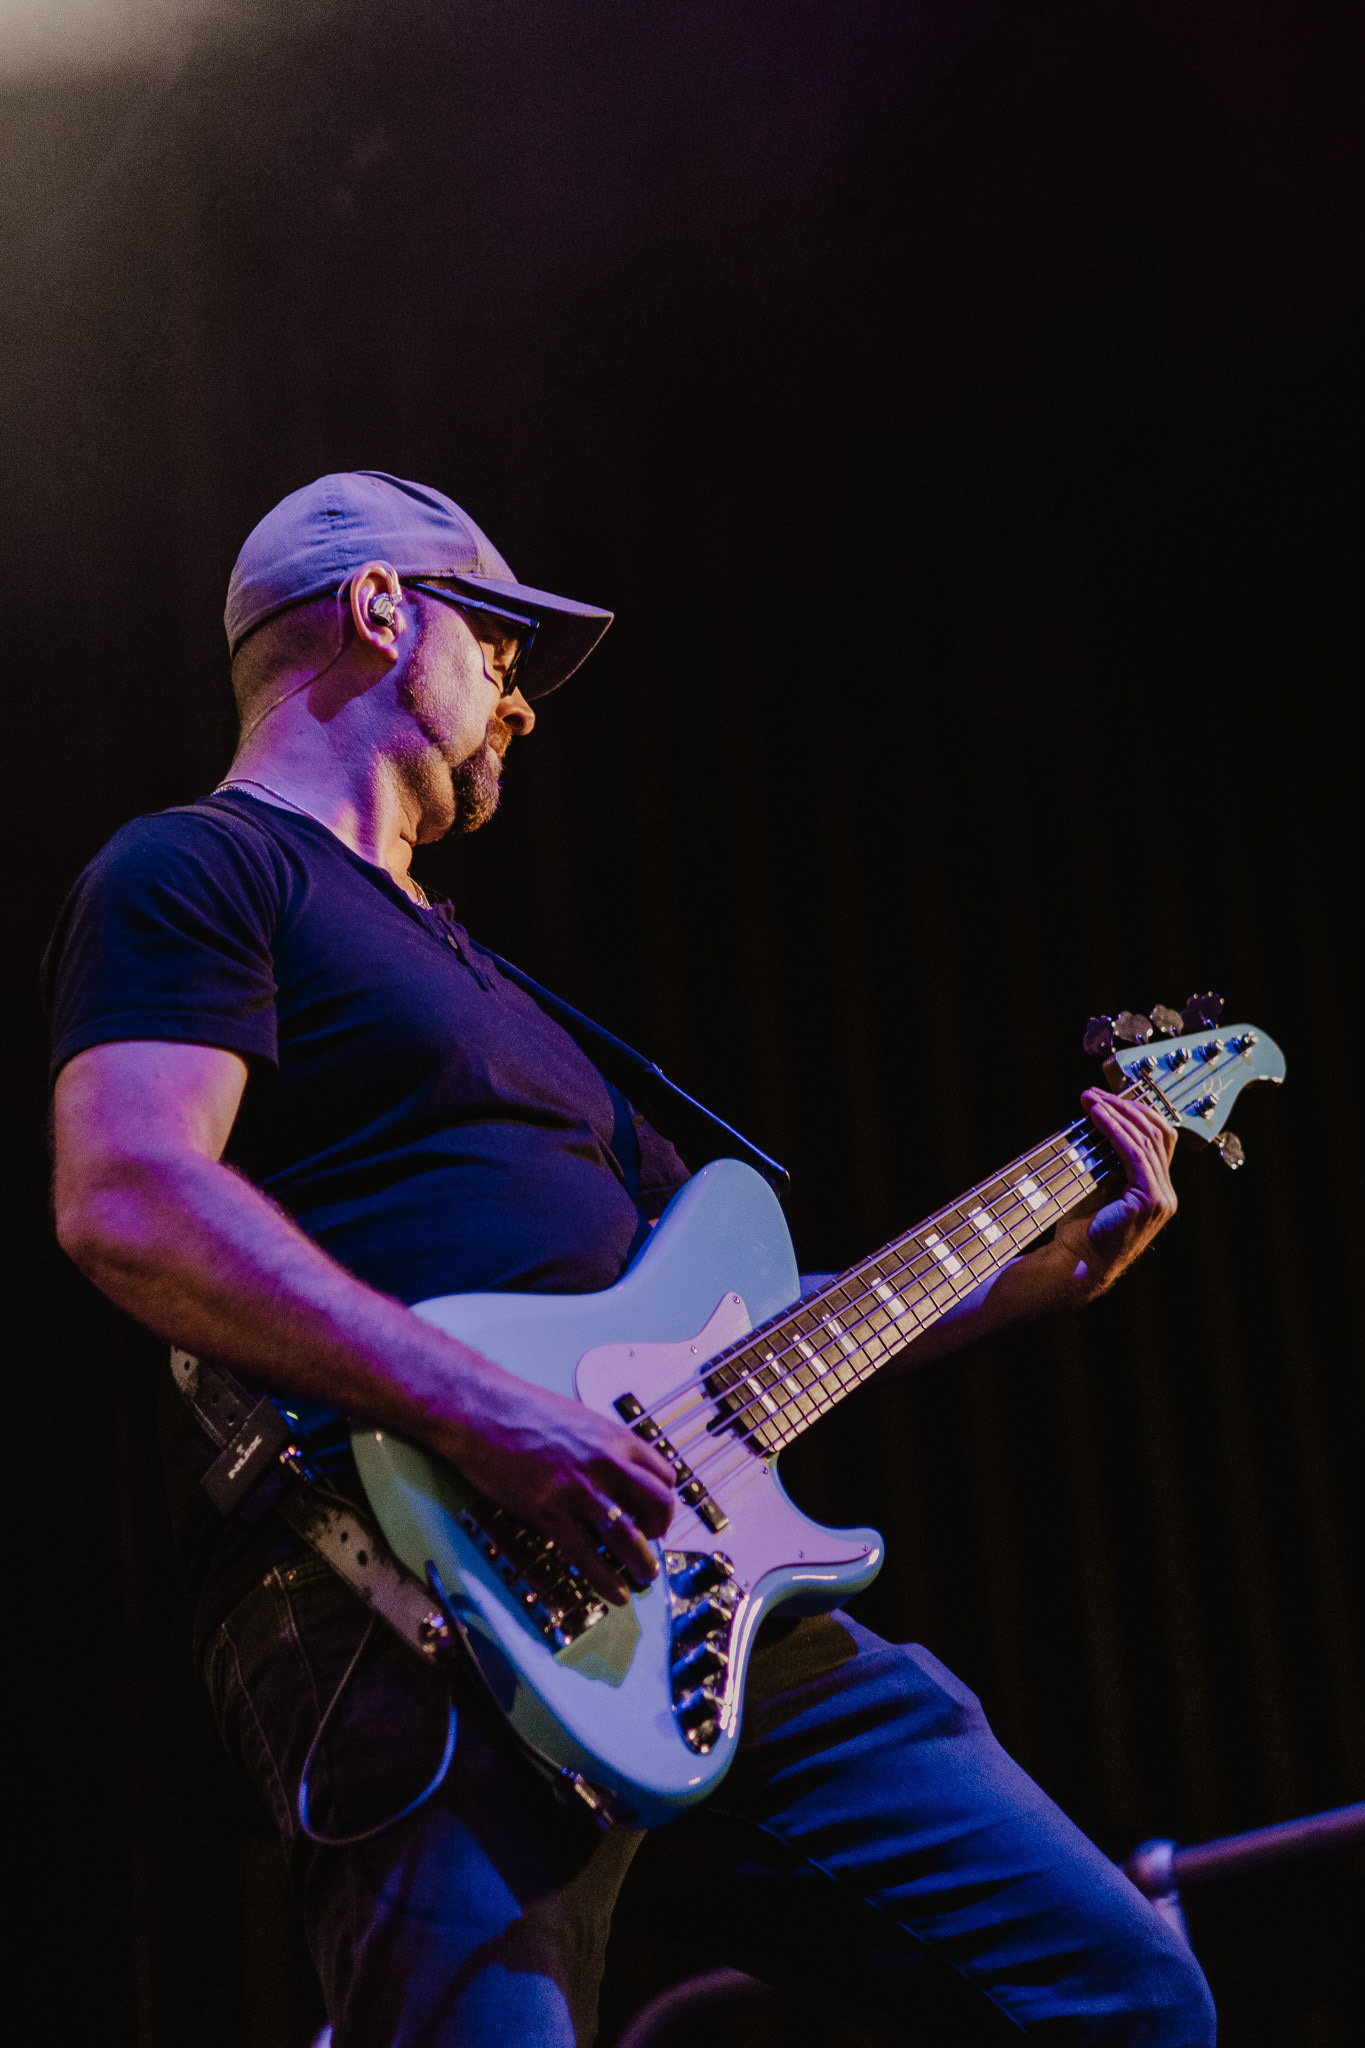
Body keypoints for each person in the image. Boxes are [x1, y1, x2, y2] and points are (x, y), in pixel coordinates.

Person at [45, 471, 1215, 2046]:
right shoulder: (197, 869)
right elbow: (128, 1195)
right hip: (404, 1588)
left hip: (700, 1601)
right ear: (380, 609)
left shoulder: (517, 1005)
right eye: (498, 651)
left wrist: (1029, 1269)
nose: (520, 703)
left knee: (1119, 1995)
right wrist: (485, 1413)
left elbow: (737, 1348)